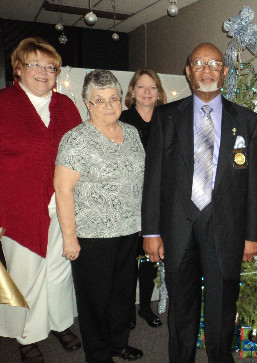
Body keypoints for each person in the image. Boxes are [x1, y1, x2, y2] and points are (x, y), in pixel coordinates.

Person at [142, 43, 257, 363]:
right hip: (177, 227)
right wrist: (150, 232)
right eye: (198, 63)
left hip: (225, 228)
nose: (207, 69)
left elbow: (254, 185)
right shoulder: (165, 117)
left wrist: (253, 236)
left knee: (222, 307)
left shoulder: (248, 122)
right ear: (188, 71)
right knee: (181, 310)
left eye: (214, 63)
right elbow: (152, 177)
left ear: (225, 71)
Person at [54, 69, 145, 363]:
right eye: (100, 100)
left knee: (122, 295)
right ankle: (98, 355)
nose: (109, 105)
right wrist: (70, 238)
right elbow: (63, 190)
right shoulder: (76, 140)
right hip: (92, 236)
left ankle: (118, 343)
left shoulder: (131, 133)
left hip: (129, 229)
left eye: (114, 98)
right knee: (95, 301)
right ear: (87, 103)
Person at [0, 37, 82, 363]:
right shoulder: (4, 103)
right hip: (17, 207)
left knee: (59, 269)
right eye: (35, 64)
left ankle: (59, 322)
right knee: (24, 274)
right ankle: (26, 334)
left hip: (61, 204)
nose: (44, 72)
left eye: (51, 67)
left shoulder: (65, 105)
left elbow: (80, 152)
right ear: (18, 68)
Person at [121, 68, 167, 329]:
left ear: (159, 92)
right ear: (133, 91)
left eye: (152, 87)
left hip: (158, 199)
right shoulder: (122, 119)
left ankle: (145, 307)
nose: (147, 92)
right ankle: (127, 308)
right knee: (128, 259)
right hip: (130, 199)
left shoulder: (167, 118)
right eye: (141, 87)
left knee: (152, 257)